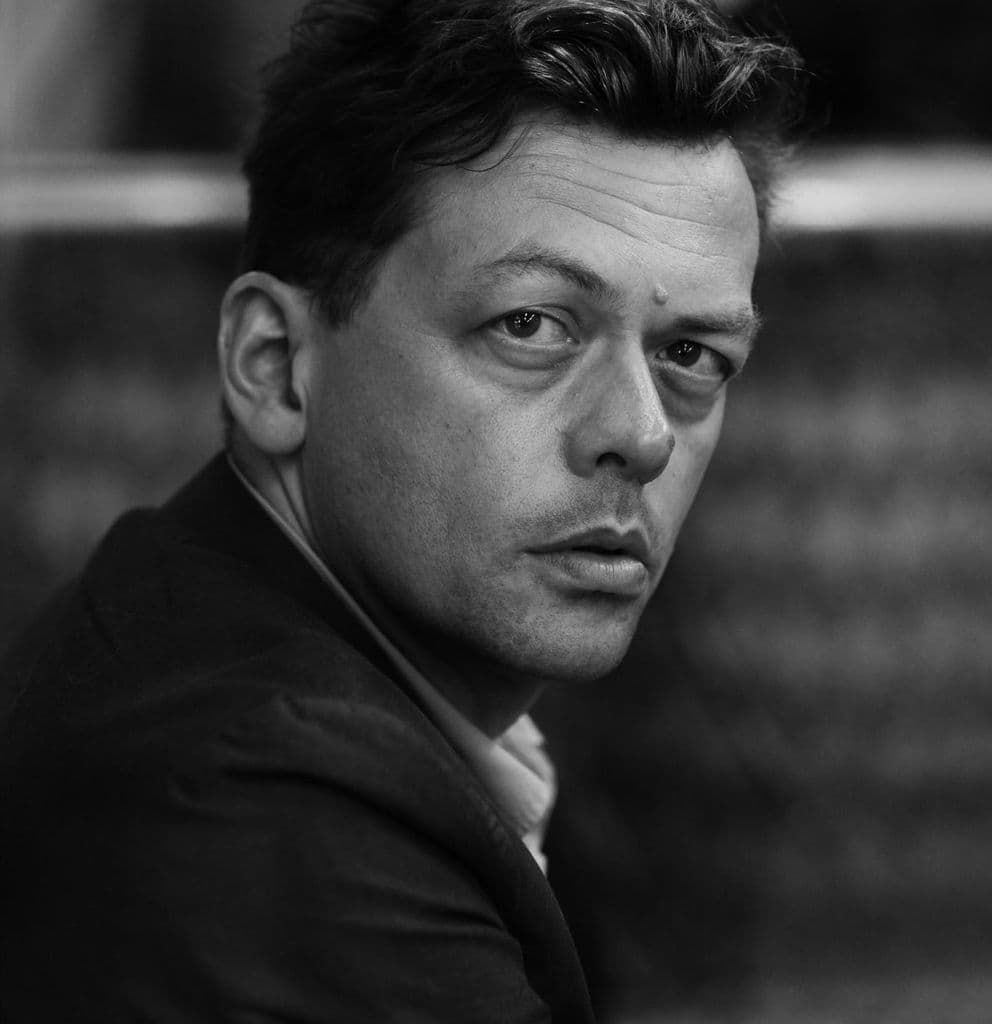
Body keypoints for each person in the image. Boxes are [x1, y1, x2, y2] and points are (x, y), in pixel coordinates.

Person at [0, 0, 800, 1020]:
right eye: (531, 325)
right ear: (274, 365)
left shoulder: (225, 651)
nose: (641, 435)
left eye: (691, 354)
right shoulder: (271, 819)